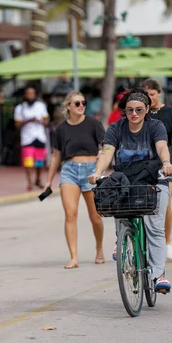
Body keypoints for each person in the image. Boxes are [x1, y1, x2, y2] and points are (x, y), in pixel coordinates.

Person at [88, 88, 172, 293]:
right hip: (126, 178)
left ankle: (159, 274)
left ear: (146, 110)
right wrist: (97, 172)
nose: (134, 114)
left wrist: (167, 162)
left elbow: (162, 146)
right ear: (124, 111)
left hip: (153, 177)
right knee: (115, 200)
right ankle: (122, 238)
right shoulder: (116, 128)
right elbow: (107, 151)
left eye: (139, 109)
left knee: (155, 226)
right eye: (129, 110)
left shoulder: (156, 126)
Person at [43, 91, 106, 269]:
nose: (81, 106)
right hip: (69, 170)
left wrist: (102, 160)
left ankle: (99, 248)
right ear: (68, 106)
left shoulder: (93, 123)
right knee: (70, 214)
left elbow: (105, 146)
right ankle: (74, 257)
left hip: (91, 170)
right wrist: (48, 181)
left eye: (83, 103)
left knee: (95, 216)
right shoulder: (60, 129)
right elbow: (56, 156)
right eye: (77, 103)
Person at [142, 79, 172, 261]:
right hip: (143, 163)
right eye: (146, 95)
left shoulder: (169, 113)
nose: (149, 98)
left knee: (164, 203)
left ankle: (167, 241)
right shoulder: (140, 112)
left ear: (159, 93)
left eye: (152, 94)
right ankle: (147, 242)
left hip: (165, 164)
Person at [14, 86, 49, 191]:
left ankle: (38, 179)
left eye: (32, 93)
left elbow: (47, 121)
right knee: (28, 162)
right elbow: (17, 124)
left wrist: (41, 121)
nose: (30, 95)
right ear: (25, 95)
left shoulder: (41, 106)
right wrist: (27, 121)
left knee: (39, 161)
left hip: (39, 136)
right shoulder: (20, 108)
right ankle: (29, 182)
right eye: (28, 93)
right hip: (27, 138)